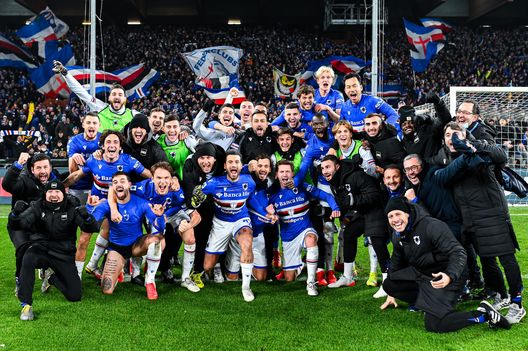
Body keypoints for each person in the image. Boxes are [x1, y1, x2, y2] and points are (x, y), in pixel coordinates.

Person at [430, 122, 525, 324]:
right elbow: (443, 178)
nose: (451, 138)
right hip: (471, 219)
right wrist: (467, 153)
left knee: (506, 258)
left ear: (465, 135)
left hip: (493, 213)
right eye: (447, 135)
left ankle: (517, 303)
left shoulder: (480, 148)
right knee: (487, 260)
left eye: (455, 134)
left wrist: (474, 147)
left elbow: (501, 156)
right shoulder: (446, 160)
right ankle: (502, 295)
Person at [381, 197, 511, 333]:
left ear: (407, 213)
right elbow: (396, 265)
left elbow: (458, 253)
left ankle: (484, 315)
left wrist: (449, 275)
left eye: (398, 214)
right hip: (423, 275)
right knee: (389, 284)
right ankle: (428, 303)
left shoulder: (430, 225)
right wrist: (391, 294)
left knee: (435, 325)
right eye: (390, 216)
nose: (394, 219)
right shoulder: (397, 235)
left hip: (446, 276)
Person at [63, 130, 152, 278]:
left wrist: (162, 186)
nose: (112, 145)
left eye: (115, 142)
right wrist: (59, 187)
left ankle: (95, 265)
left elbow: (149, 176)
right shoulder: (94, 160)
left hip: (117, 205)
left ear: (120, 146)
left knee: (110, 230)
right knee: (84, 238)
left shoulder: (128, 161)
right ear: (102, 146)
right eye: (108, 142)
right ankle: (76, 276)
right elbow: (76, 176)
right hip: (96, 203)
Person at [9, 180, 99, 321]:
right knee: (28, 256)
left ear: (64, 193)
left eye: (57, 191)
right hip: (41, 249)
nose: (53, 195)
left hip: (63, 253)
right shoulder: (37, 206)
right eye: (50, 192)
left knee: (75, 296)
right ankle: (26, 305)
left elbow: (92, 228)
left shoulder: (72, 206)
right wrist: (14, 214)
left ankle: (51, 278)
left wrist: (87, 217)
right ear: (45, 194)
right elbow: (18, 224)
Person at [191, 151, 273, 302]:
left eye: (237, 162)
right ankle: (216, 267)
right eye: (230, 162)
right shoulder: (214, 183)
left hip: (240, 220)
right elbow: (196, 197)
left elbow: (254, 196)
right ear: (225, 166)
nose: (233, 165)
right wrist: (196, 199)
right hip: (220, 224)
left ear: (241, 166)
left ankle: (246, 287)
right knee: (207, 266)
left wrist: (265, 214)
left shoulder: (250, 181)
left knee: (247, 241)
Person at [321, 155, 389, 298]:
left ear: (337, 167)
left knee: (376, 239)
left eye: (327, 167)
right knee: (348, 233)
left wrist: (353, 200)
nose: (324, 171)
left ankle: (388, 283)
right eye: (322, 168)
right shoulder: (335, 181)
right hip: (359, 211)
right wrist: (344, 220)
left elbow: (375, 195)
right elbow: (345, 203)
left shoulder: (356, 175)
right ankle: (347, 277)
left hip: (376, 209)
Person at [91, 172, 166, 299]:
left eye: (122, 181)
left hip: (136, 245)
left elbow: (159, 228)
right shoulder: (107, 205)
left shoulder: (142, 203)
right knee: (106, 289)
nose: (118, 184)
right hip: (116, 248)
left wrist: (159, 217)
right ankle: (120, 268)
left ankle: (150, 281)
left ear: (129, 185)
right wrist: (90, 206)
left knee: (158, 240)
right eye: (115, 182)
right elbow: (90, 222)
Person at [270, 160, 340, 296]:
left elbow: (325, 195)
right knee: (290, 278)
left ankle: (311, 283)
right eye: (282, 171)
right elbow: (264, 211)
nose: (285, 174)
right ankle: (305, 262)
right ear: (276, 175)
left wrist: (335, 207)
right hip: (288, 237)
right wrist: (270, 216)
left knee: (311, 239)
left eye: (288, 171)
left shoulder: (302, 186)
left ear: (293, 174)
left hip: (305, 229)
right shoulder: (271, 194)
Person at [2, 153, 63, 293]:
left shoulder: (54, 178)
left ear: (51, 168)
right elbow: (7, 184)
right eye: (39, 168)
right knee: (24, 249)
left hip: (40, 225)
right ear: (32, 169)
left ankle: (46, 271)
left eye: (45, 167)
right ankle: (20, 279)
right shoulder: (24, 180)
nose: (43, 171)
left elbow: (68, 179)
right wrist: (17, 165)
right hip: (19, 225)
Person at [182, 142, 226, 287]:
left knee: (223, 234)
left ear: (215, 159)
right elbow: (190, 190)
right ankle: (198, 270)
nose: (205, 161)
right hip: (201, 202)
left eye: (209, 158)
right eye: (202, 158)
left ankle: (219, 266)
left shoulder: (222, 162)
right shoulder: (190, 164)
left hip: (221, 201)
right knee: (201, 234)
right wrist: (192, 209)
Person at [52, 61, 137, 132]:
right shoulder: (100, 107)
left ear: (125, 99)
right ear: (109, 98)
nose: (116, 97)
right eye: (114, 94)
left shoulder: (134, 115)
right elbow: (80, 91)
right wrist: (66, 73)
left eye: (120, 95)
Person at [121, 113, 168, 183]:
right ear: (130, 130)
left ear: (147, 131)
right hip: (121, 187)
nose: (138, 130)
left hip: (144, 189)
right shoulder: (120, 141)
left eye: (142, 127)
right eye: (135, 127)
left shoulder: (154, 146)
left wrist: (174, 178)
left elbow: (165, 169)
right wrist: (100, 153)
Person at [66, 112, 101, 204]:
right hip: (78, 187)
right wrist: (74, 156)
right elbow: (72, 171)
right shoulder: (74, 141)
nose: (91, 125)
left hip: (98, 188)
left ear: (99, 125)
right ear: (83, 124)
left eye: (94, 123)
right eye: (88, 122)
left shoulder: (104, 140)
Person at [158, 114, 198, 180]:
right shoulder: (157, 142)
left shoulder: (187, 140)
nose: (172, 130)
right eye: (168, 127)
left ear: (180, 128)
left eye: (175, 127)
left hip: (187, 183)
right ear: (163, 129)